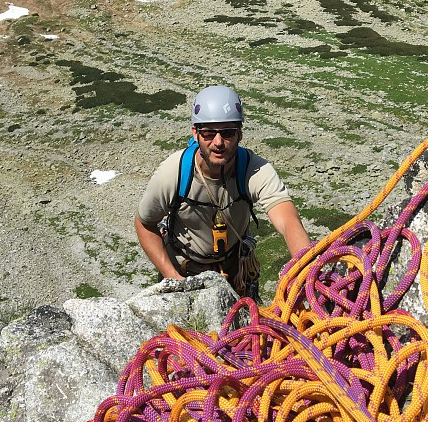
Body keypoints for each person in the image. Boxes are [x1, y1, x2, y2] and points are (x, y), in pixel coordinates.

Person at [134, 85, 312, 297]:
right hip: (185, 271)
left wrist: (308, 274)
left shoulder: (253, 169)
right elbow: (144, 223)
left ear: (240, 134)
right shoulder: (175, 172)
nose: (218, 142)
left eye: (227, 133)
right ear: (195, 133)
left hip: (236, 272)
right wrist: (172, 276)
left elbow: (287, 219)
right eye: (208, 133)